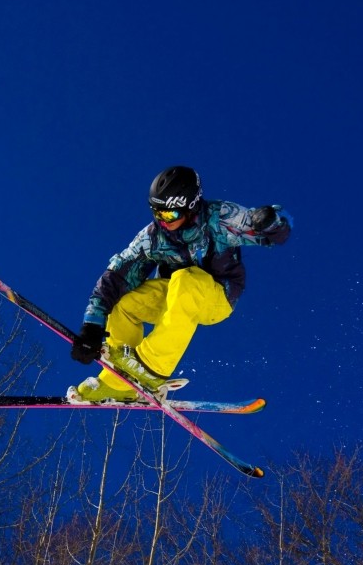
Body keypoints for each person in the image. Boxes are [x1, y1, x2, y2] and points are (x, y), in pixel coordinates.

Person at [70, 165, 291, 402]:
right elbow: (117, 275)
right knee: (125, 302)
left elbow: (276, 231)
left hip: (217, 296)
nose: (162, 221)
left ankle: (151, 369)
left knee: (186, 278)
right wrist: (92, 325)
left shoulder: (220, 217)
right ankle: (119, 381)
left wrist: (270, 221)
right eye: (157, 212)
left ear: (191, 207)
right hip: (173, 296)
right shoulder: (153, 237)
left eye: (169, 215)